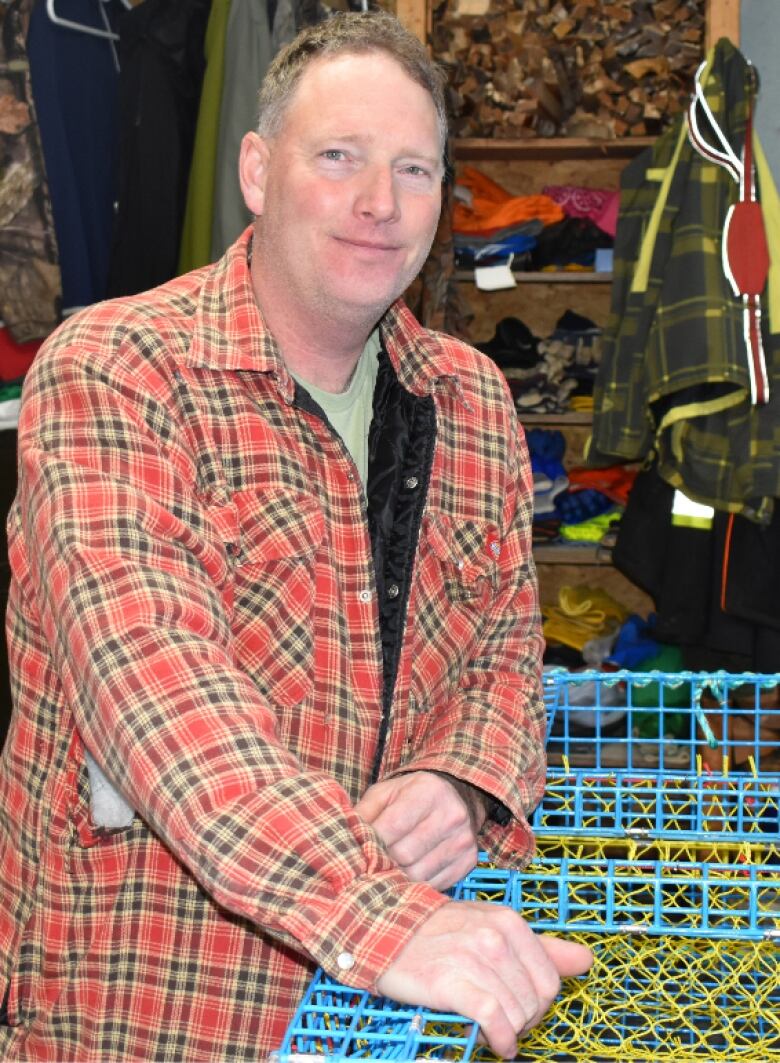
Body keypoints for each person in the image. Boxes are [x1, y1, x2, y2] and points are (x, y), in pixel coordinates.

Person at [0, 11, 592, 1061]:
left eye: (414, 169)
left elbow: (506, 653)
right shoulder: (115, 372)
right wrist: (389, 916)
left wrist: (466, 780)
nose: (380, 204)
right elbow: (161, 695)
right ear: (259, 171)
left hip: (384, 1014)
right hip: (154, 1002)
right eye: (340, 158)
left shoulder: (471, 400)